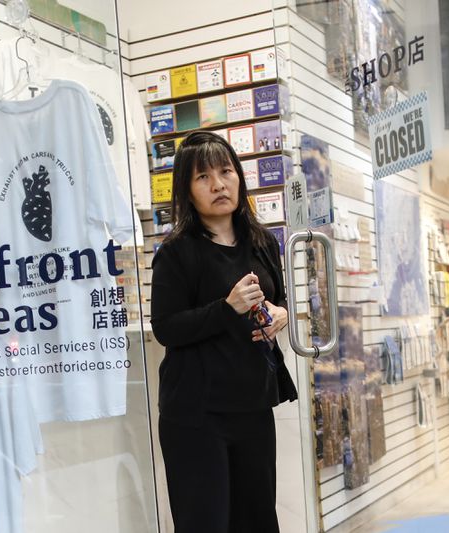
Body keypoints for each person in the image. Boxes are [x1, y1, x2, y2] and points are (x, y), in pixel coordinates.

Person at [151, 131, 298, 533]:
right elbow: (165, 328)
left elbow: (278, 300)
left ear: (239, 178)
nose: (218, 184)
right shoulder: (177, 251)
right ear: (187, 189)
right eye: (203, 177)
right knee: (206, 523)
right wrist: (226, 308)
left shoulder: (263, 241)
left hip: (252, 404)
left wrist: (279, 315)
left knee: (258, 521)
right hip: (196, 413)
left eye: (226, 171)